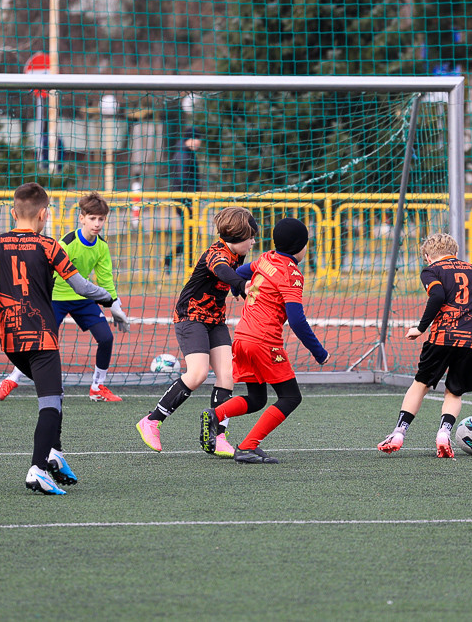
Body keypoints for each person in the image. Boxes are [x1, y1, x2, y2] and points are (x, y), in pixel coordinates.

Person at [0, 182, 113, 495]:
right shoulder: (50, 246)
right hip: (42, 337)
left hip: (10, 340)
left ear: (12, 212)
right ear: (44, 214)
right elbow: (82, 287)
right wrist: (109, 299)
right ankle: (39, 468)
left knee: (55, 394)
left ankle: (55, 454)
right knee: (50, 403)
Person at [199, 218, 330, 464]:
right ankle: (248, 446)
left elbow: (239, 273)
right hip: (264, 342)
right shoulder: (292, 274)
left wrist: (240, 290)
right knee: (291, 397)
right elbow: (297, 320)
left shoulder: (266, 258)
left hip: (242, 337)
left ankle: (216, 414)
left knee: (257, 398)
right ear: (300, 246)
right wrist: (319, 352)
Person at [377, 233, 472, 457]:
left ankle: (399, 432)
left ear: (426, 256)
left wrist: (421, 328)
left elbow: (437, 296)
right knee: (454, 392)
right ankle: (444, 432)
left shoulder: (431, 271)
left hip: (443, 338)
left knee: (421, 384)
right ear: (456, 252)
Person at [136, 206, 257, 457]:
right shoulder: (217, 254)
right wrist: (243, 285)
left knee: (227, 376)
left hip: (215, 319)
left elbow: (230, 280)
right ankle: (151, 420)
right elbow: (223, 272)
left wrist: (242, 289)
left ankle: (218, 437)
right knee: (199, 373)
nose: (254, 242)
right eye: (250, 238)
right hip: (190, 316)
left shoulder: (237, 254)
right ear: (236, 238)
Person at [0, 192, 130, 403]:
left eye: (101, 219)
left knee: (106, 338)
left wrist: (115, 305)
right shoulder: (67, 242)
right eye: (92, 218)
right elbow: (48, 271)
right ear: (82, 218)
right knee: (39, 342)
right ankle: (13, 378)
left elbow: (105, 279)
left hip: (83, 300)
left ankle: (97, 387)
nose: (97, 223)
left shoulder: (101, 247)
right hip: (55, 298)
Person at [163, 128, 202, 272]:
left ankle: (189, 265)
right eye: (197, 140)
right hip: (184, 201)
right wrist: (189, 202)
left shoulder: (187, 153)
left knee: (192, 234)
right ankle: (180, 263)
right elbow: (182, 180)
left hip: (186, 200)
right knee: (191, 234)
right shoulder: (183, 155)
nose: (199, 144)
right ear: (191, 139)